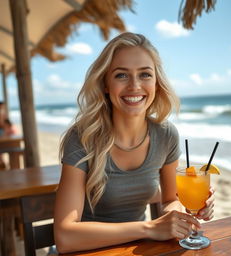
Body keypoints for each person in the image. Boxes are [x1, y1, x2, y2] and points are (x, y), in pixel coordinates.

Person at [54, 32, 214, 253]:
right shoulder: (83, 138)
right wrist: (148, 228)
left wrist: (184, 214)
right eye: (121, 75)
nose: (135, 86)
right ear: (105, 84)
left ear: (157, 83)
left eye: (145, 75)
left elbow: (169, 200)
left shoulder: (166, 135)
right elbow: (65, 236)